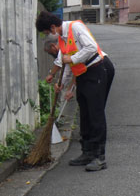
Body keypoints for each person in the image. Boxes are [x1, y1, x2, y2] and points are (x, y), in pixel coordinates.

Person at [36, 11, 115, 172]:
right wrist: (63, 84)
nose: (48, 35)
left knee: (95, 113)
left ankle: (99, 157)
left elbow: (91, 47)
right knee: (84, 113)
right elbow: (65, 64)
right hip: (83, 74)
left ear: (52, 27)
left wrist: (72, 59)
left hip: (97, 69)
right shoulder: (62, 38)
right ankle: (86, 152)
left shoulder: (76, 27)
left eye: (46, 32)